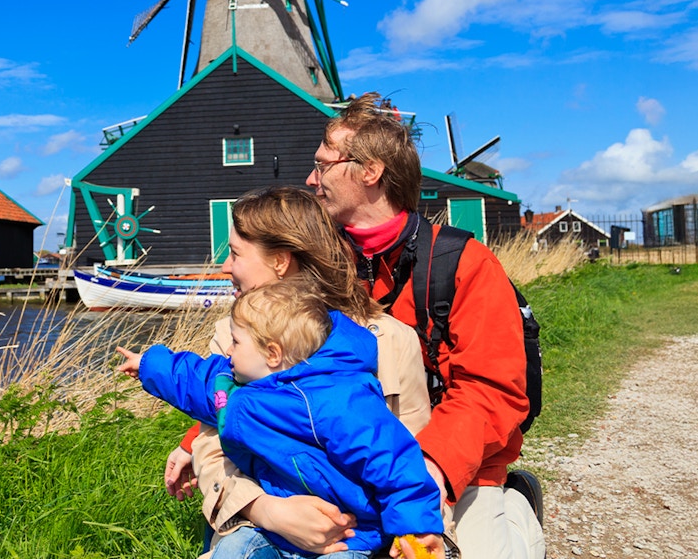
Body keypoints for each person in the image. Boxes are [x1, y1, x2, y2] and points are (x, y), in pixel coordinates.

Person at [284, 93, 546, 559]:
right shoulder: (317, 264)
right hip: (351, 463)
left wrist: (430, 467)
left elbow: (490, 388)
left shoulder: (464, 264)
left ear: (370, 171)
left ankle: (517, 509)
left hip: (452, 464)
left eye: (323, 165)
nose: (311, 179)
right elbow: (265, 358)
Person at [159, 186, 431, 552]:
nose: (224, 266)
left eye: (236, 253)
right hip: (261, 524)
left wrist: (427, 541)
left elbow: (415, 457)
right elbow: (214, 445)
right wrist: (267, 510)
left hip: (359, 536)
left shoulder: (391, 341)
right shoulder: (232, 339)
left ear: (280, 261)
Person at [117, 279, 445, 559]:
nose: (228, 351)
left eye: (236, 341)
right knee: (234, 551)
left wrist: (415, 528)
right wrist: (148, 364)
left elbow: (395, 463)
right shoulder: (236, 387)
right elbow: (193, 378)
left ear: (273, 354)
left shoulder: (338, 401)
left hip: (350, 534)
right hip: (277, 528)